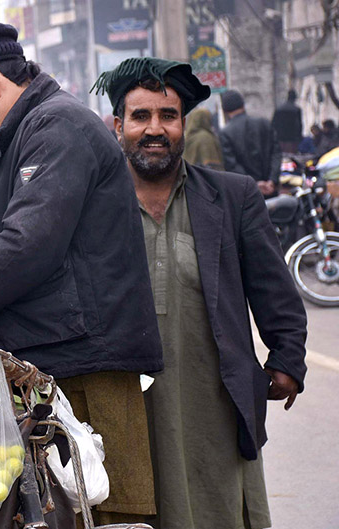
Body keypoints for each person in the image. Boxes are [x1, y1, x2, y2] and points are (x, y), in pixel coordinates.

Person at [0, 24, 163, 525]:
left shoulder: (57, 128)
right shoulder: (22, 135)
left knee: (109, 514)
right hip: (56, 360)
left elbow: (25, 247)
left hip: (88, 364)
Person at [97, 56, 308, 529]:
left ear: (183, 125)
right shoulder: (92, 204)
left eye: (167, 116)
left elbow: (275, 291)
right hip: (126, 405)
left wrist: (288, 357)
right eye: (141, 116)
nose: (155, 129)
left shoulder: (233, 197)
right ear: (117, 125)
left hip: (214, 402)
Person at [219, 89, 281, 198]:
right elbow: (276, 154)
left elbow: (232, 165)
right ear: (243, 105)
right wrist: (272, 180)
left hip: (247, 194)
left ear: (225, 110)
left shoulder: (226, 133)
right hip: (271, 189)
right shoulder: (264, 123)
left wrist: (254, 184)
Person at [271, 89, 303, 154]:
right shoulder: (297, 109)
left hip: (280, 137)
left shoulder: (279, 109)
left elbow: (273, 123)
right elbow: (299, 125)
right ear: (294, 98)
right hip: (292, 139)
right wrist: (299, 137)